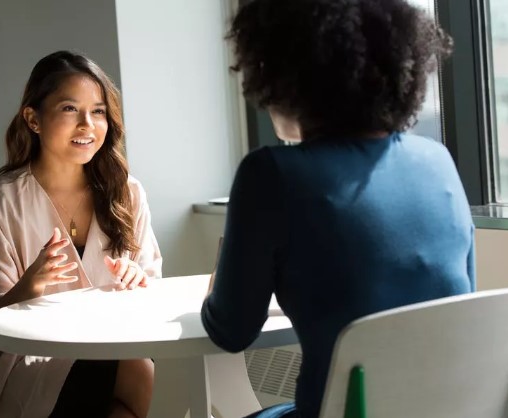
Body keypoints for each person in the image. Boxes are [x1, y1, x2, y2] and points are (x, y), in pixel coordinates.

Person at [201, 1, 474, 417]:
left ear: (284, 72)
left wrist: (219, 283)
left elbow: (231, 331)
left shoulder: (271, 174)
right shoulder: (438, 161)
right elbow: (461, 302)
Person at [0, 51, 162, 418]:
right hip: (28, 362)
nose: (87, 125)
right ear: (33, 119)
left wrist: (138, 279)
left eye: (98, 111)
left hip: (111, 346)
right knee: (134, 370)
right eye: (69, 109)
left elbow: (153, 291)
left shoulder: (127, 193)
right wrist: (28, 286)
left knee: (132, 376)